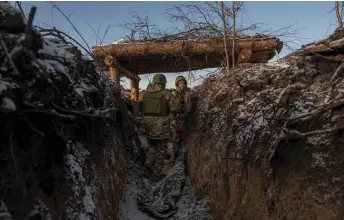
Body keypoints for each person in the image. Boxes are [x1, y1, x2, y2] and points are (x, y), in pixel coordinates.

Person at [141, 73, 181, 180]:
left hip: (147, 125)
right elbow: (175, 108)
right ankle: (156, 174)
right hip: (161, 126)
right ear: (164, 82)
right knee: (161, 149)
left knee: (151, 145)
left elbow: (142, 107)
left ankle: (148, 165)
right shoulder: (166, 94)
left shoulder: (145, 93)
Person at [170, 76, 191, 155]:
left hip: (187, 118)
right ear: (177, 84)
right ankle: (175, 156)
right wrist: (173, 120)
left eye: (183, 83)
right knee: (176, 139)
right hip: (177, 118)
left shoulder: (188, 92)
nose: (182, 85)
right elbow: (172, 109)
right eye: (180, 83)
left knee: (187, 139)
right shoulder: (174, 94)